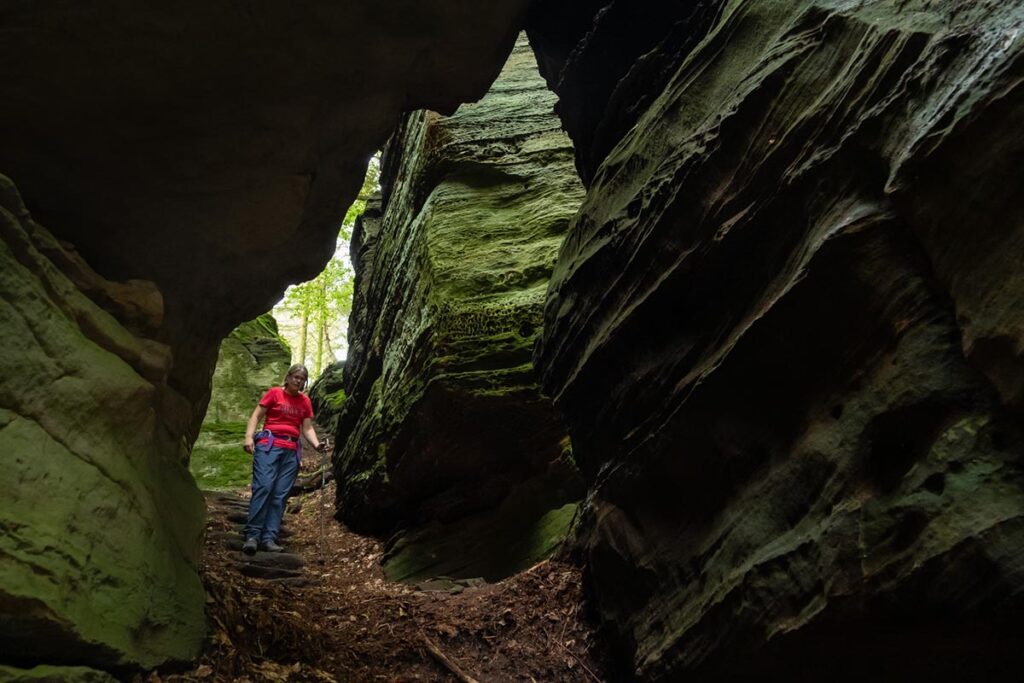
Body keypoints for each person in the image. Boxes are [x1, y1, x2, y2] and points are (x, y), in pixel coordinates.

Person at [242, 364, 326, 554]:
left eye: (302, 379)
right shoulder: (274, 393)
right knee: (264, 486)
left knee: (280, 494)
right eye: (295, 377)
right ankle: (252, 535)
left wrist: (317, 445)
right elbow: (256, 415)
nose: (298, 381)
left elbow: (307, 428)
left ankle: (269, 537)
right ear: (288, 378)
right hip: (269, 445)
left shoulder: (305, 401)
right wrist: (248, 437)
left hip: (291, 451)